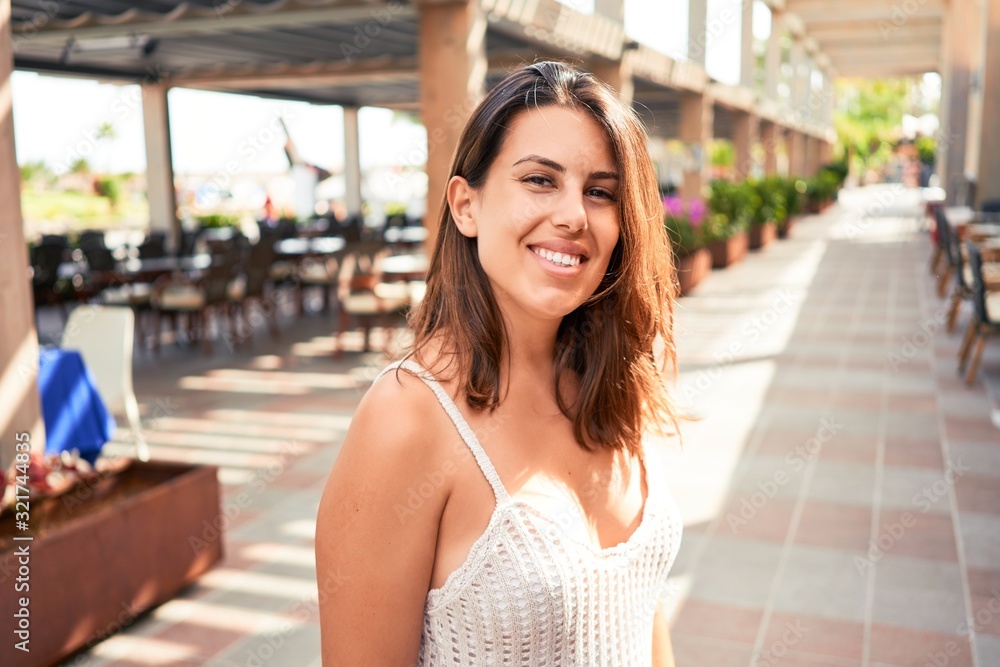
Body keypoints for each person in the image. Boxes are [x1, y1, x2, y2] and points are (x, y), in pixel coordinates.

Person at [315, 61, 684, 666]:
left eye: (600, 191)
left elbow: (642, 614)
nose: (573, 215)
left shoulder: (614, 381)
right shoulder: (406, 419)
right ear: (466, 206)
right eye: (540, 180)